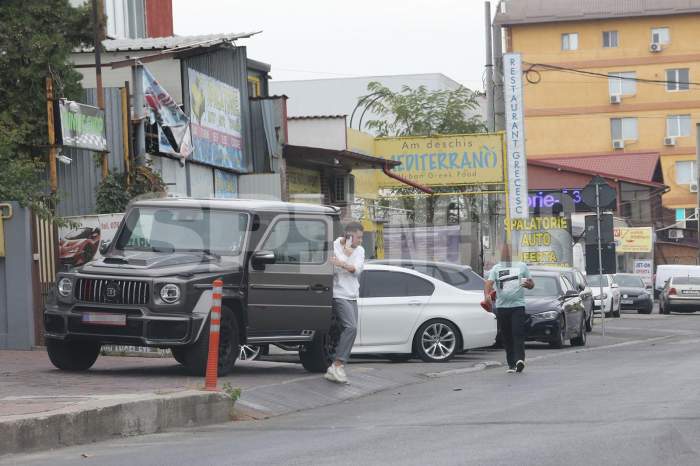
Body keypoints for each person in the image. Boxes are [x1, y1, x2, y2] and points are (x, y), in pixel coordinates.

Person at [484, 243, 534, 374]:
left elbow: (531, 283)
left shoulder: (522, 266)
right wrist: (487, 295)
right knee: (506, 336)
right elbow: (489, 284)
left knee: (518, 333)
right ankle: (511, 364)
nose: (506, 253)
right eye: (503, 251)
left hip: (518, 306)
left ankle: (520, 360)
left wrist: (529, 284)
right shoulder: (496, 268)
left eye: (508, 251)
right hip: (502, 307)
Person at [325, 222, 365, 384]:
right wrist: (346, 261)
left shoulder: (360, 250)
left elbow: (357, 271)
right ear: (348, 237)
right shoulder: (332, 246)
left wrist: (343, 263)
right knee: (351, 327)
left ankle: (336, 367)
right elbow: (332, 269)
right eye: (359, 237)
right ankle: (337, 364)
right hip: (338, 294)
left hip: (353, 295)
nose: (361, 241)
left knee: (350, 331)